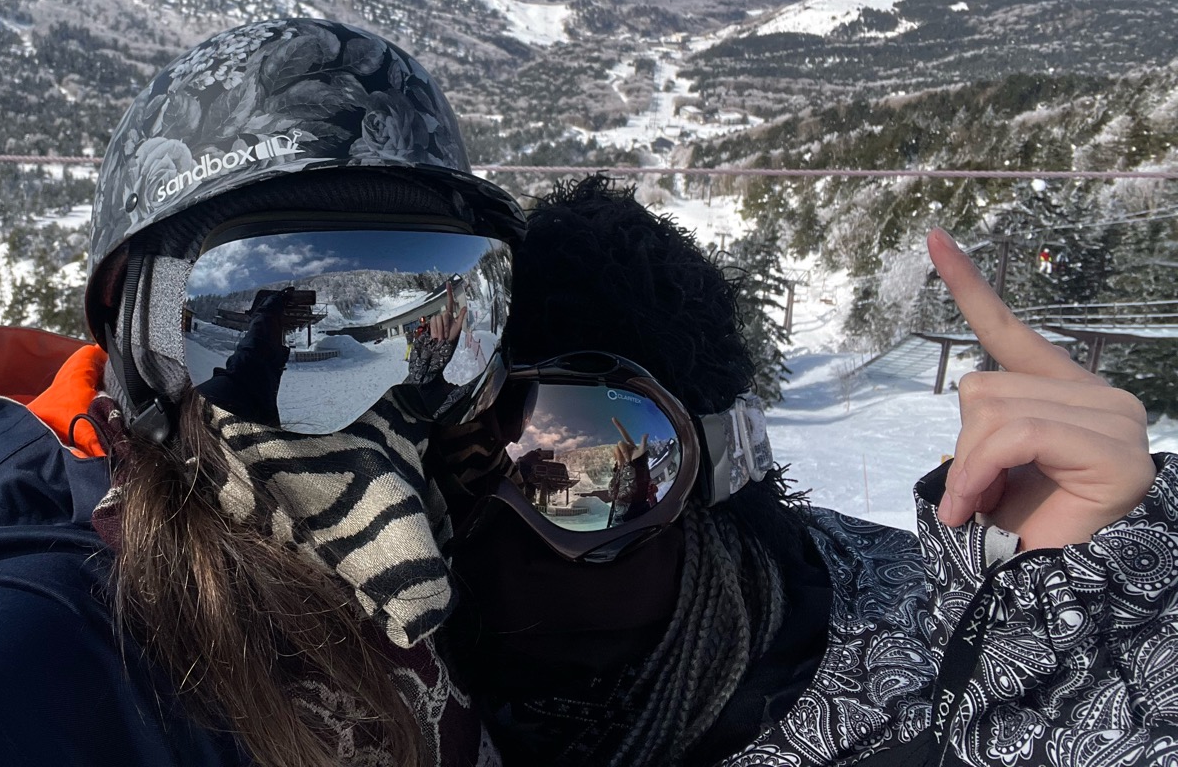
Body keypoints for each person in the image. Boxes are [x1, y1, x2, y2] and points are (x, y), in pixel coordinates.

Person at [0, 22, 1169, 767]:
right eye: (251, 310)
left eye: (436, 316)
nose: (367, 408)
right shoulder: (96, 612)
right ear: (134, 352)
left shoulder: (829, 628)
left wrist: (1111, 580)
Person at [441, 176, 1174, 767]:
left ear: (719, 470)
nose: (500, 544)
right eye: (446, 469)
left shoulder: (929, 654)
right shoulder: (383, 673)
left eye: (585, 466)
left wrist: (1085, 651)